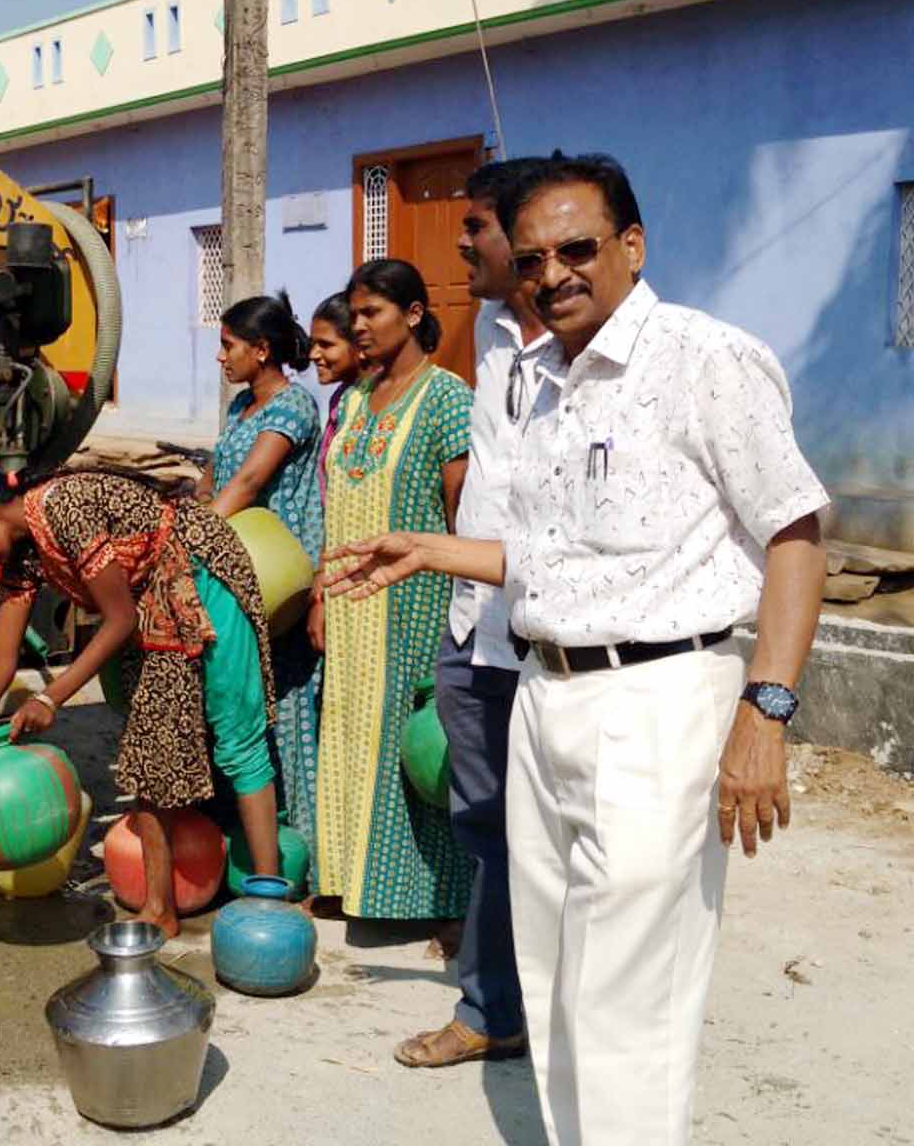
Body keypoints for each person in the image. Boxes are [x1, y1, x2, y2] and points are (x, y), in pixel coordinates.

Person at [325, 153, 828, 1146]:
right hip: (545, 694)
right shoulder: (543, 381)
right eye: (532, 259)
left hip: (660, 701)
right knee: (555, 983)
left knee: (630, 995)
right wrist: (429, 549)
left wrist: (765, 710)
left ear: (632, 245)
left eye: (577, 249)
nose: (552, 274)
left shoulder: (704, 359)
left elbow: (796, 533)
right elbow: (557, 558)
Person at [0, 465, 280, 938]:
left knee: (237, 733)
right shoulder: (22, 555)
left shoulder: (64, 508)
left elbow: (119, 620)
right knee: (150, 750)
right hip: (147, 597)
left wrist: (49, 697)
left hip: (198, 571)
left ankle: (270, 901)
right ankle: (160, 909)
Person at [395, 159, 550, 1071]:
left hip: (559, 636)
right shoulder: (489, 333)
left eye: (475, 227)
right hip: (477, 625)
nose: (459, 246)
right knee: (486, 824)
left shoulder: (592, 345)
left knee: (561, 837)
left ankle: (548, 1006)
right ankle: (493, 1007)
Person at [313, 259, 474, 923]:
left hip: (415, 608)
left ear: (412, 314)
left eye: (372, 312)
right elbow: (331, 505)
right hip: (348, 607)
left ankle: (436, 900)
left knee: (413, 747)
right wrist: (320, 594)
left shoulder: (447, 398)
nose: (359, 326)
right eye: (353, 314)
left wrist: (466, 615)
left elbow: (463, 516)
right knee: (348, 735)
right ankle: (351, 880)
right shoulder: (354, 399)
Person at [197, 291, 324, 868]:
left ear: (262, 349)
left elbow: (248, 482)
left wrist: (190, 542)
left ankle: (299, 850)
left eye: (229, 345)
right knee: (241, 705)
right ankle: (245, 841)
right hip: (234, 569)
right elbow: (214, 478)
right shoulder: (241, 408)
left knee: (287, 707)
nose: (221, 356)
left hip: (278, 576)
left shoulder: (292, 407)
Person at [309, 290, 367, 511]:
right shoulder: (342, 397)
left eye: (325, 345)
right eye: (313, 344)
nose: (313, 354)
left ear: (359, 344)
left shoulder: (373, 400)